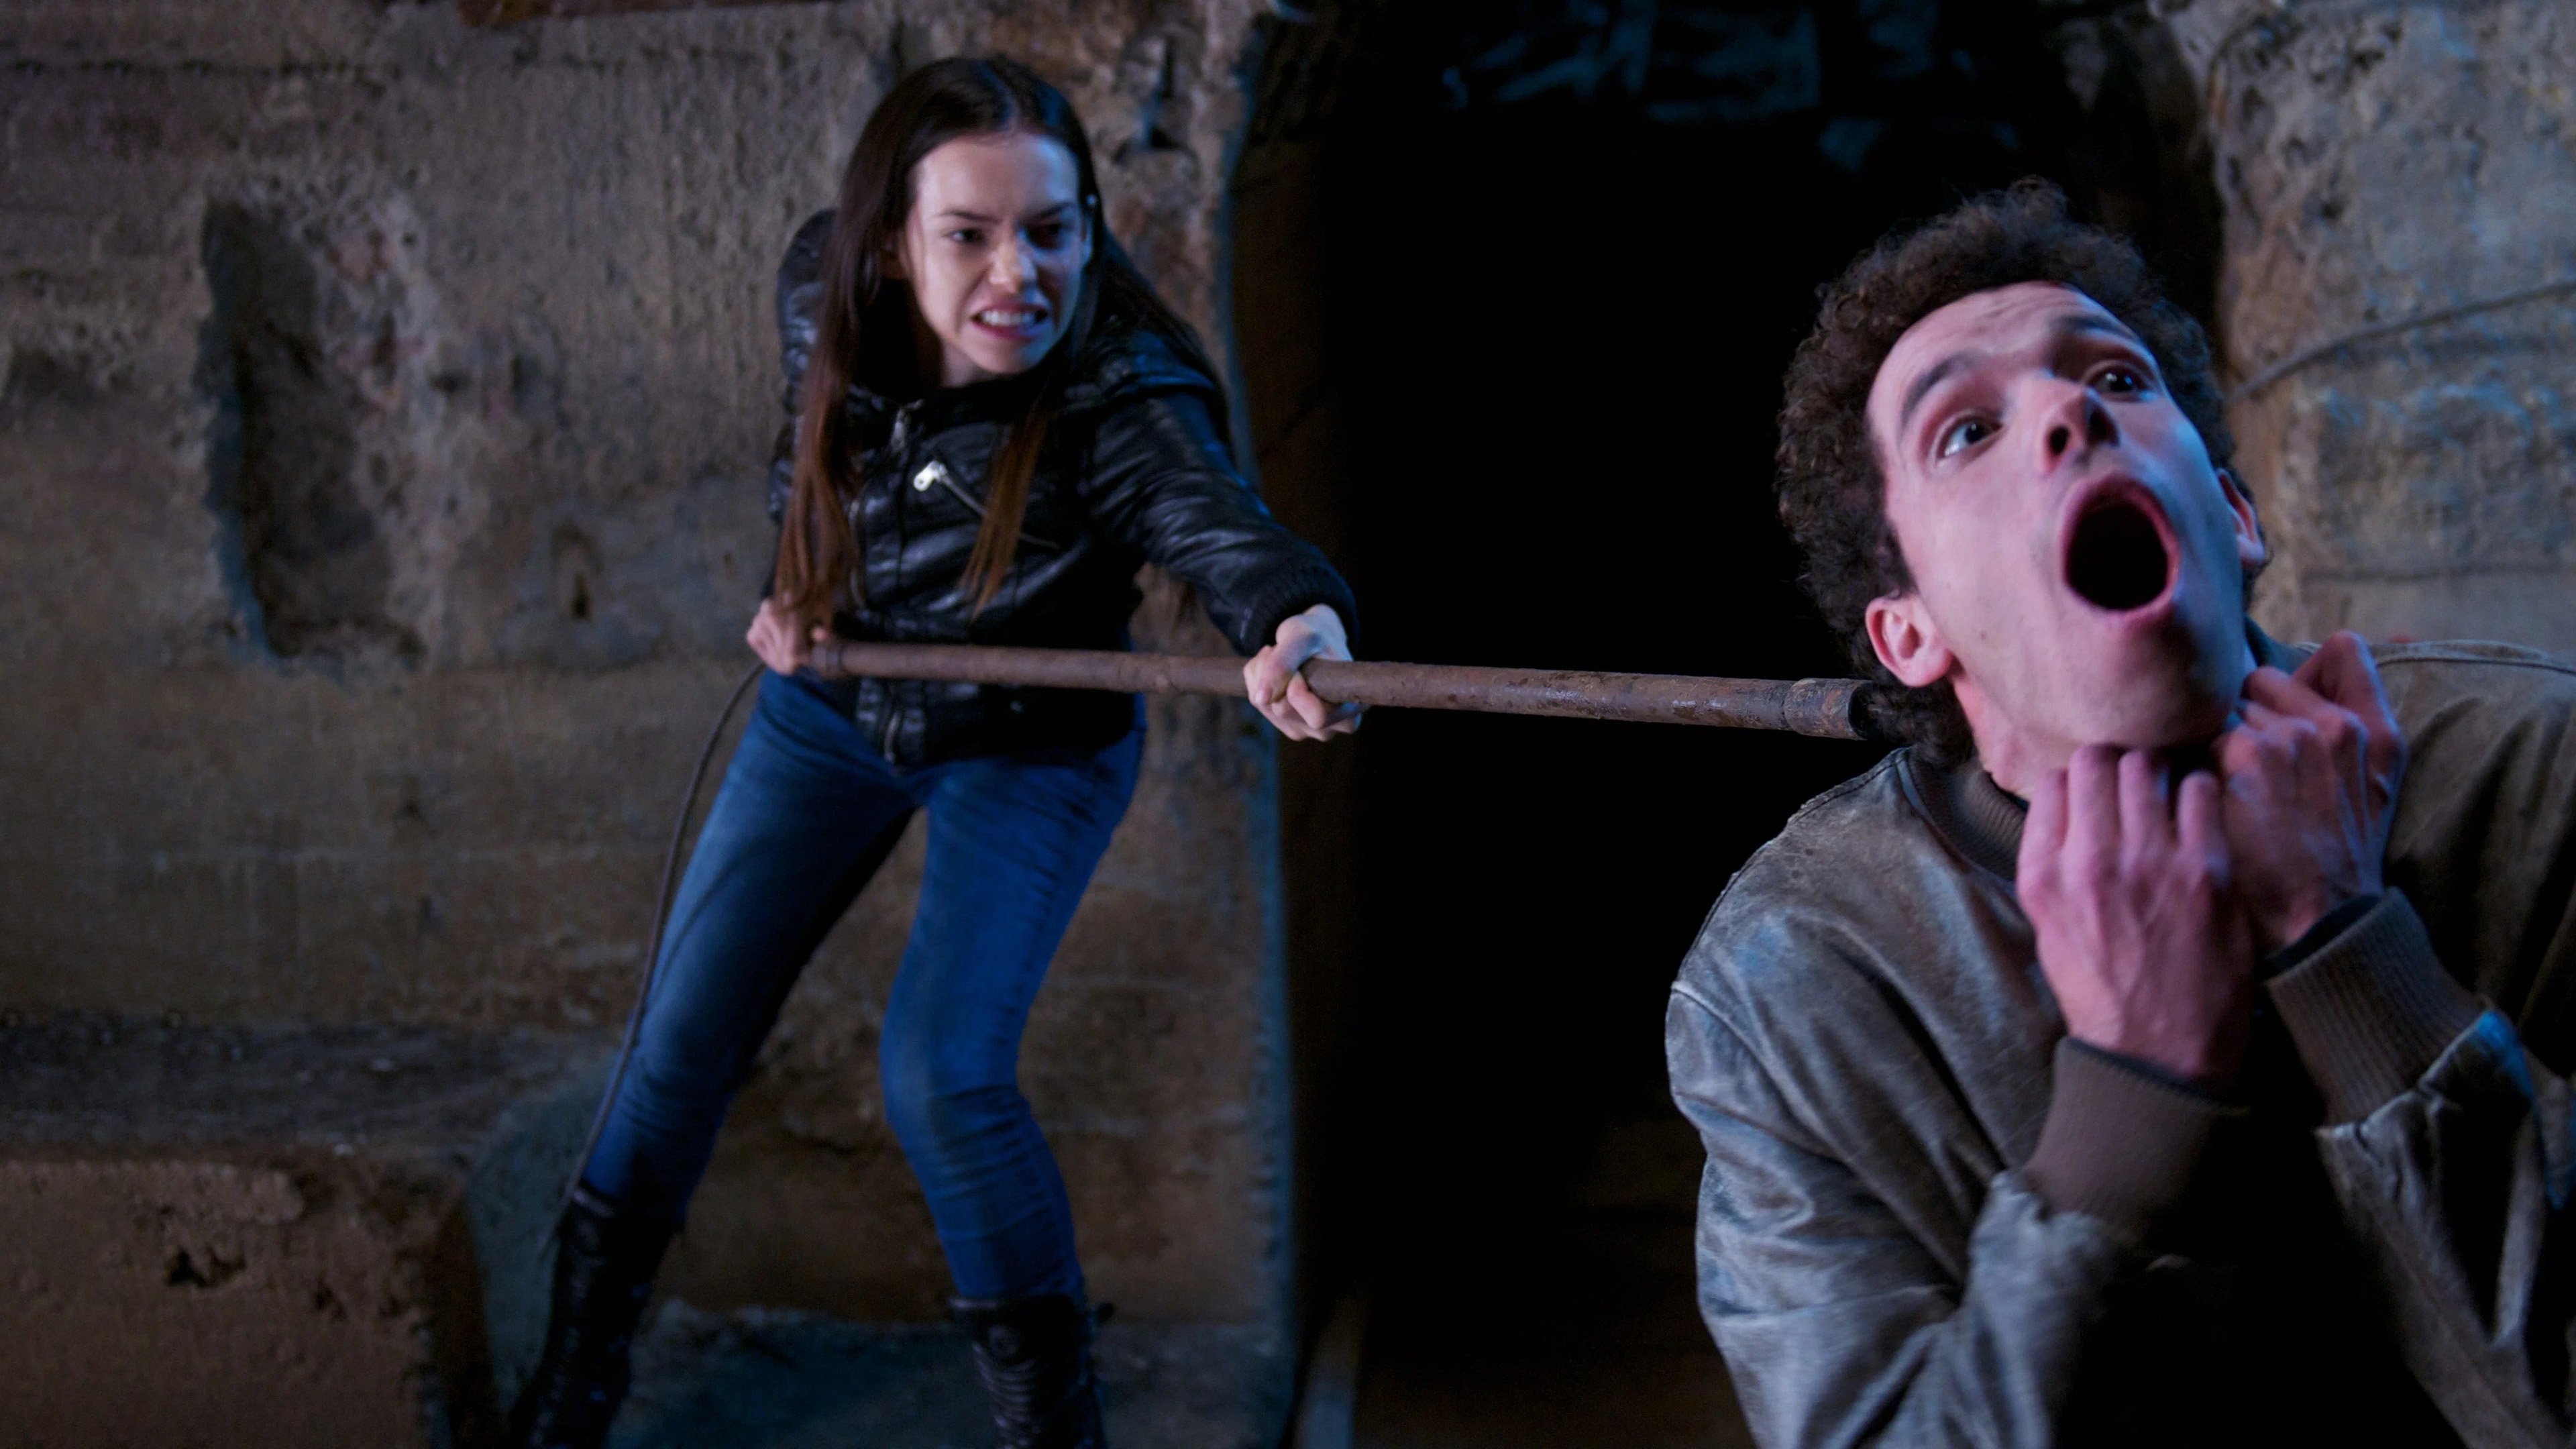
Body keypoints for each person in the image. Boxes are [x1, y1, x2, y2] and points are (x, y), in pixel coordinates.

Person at [509, 56, 1359, 1449]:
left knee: (941, 1077)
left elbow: (1219, 527)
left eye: (1052, 230)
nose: (1018, 273)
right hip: (833, 711)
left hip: (1029, 746)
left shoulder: (1119, 390)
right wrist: (797, 581)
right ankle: (573, 1396)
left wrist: (1298, 623)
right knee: (675, 1042)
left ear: (1089, 226)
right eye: (969, 233)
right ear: (893, 243)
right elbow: (815, 447)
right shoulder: (821, 290)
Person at [1666, 181, 2576, 1448]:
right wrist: (2132, 1105)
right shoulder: (1794, 985)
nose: (2069, 410)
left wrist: (2351, 952)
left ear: (2234, 515)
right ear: (1908, 630)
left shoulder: (2537, 773)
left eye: (2116, 378)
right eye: (1965, 431)